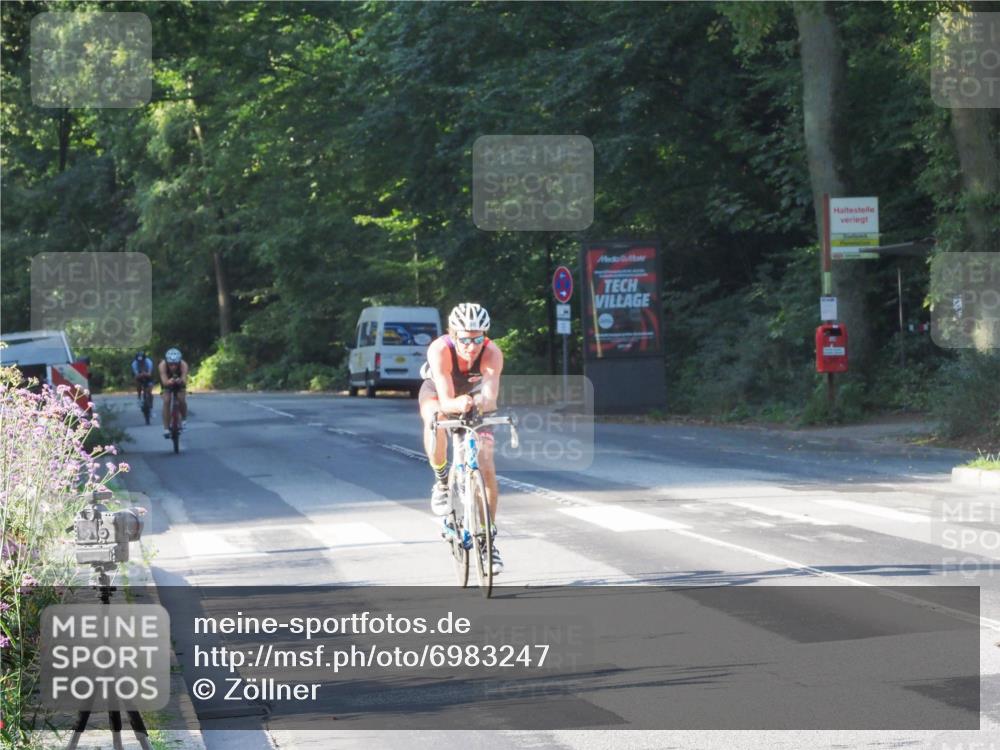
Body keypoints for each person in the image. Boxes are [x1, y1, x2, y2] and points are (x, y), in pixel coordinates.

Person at [419, 303, 505, 574]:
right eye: (465, 339)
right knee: (436, 420)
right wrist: (460, 402)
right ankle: (442, 480)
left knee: (487, 464)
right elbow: (445, 399)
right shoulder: (439, 349)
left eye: (478, 338)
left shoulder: (492, 353)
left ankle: (487, 540)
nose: (471, 345)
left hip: (474, 397)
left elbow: (490, 396)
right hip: (440, 392)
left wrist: (479, 401)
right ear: (452, 334)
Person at [159, 347, 189, 438]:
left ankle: (184, 420)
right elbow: (164, 381)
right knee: (166, 401)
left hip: (179, 381)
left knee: (181, 399)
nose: (173, 366)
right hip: (167, 382)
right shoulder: (162, 365)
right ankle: (166, 428)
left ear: (179, 361)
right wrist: (169, 382)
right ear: (167, 362)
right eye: (171, 364)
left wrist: (181, 381)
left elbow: (184, 378)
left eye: (176, 364)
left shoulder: (184, 364)